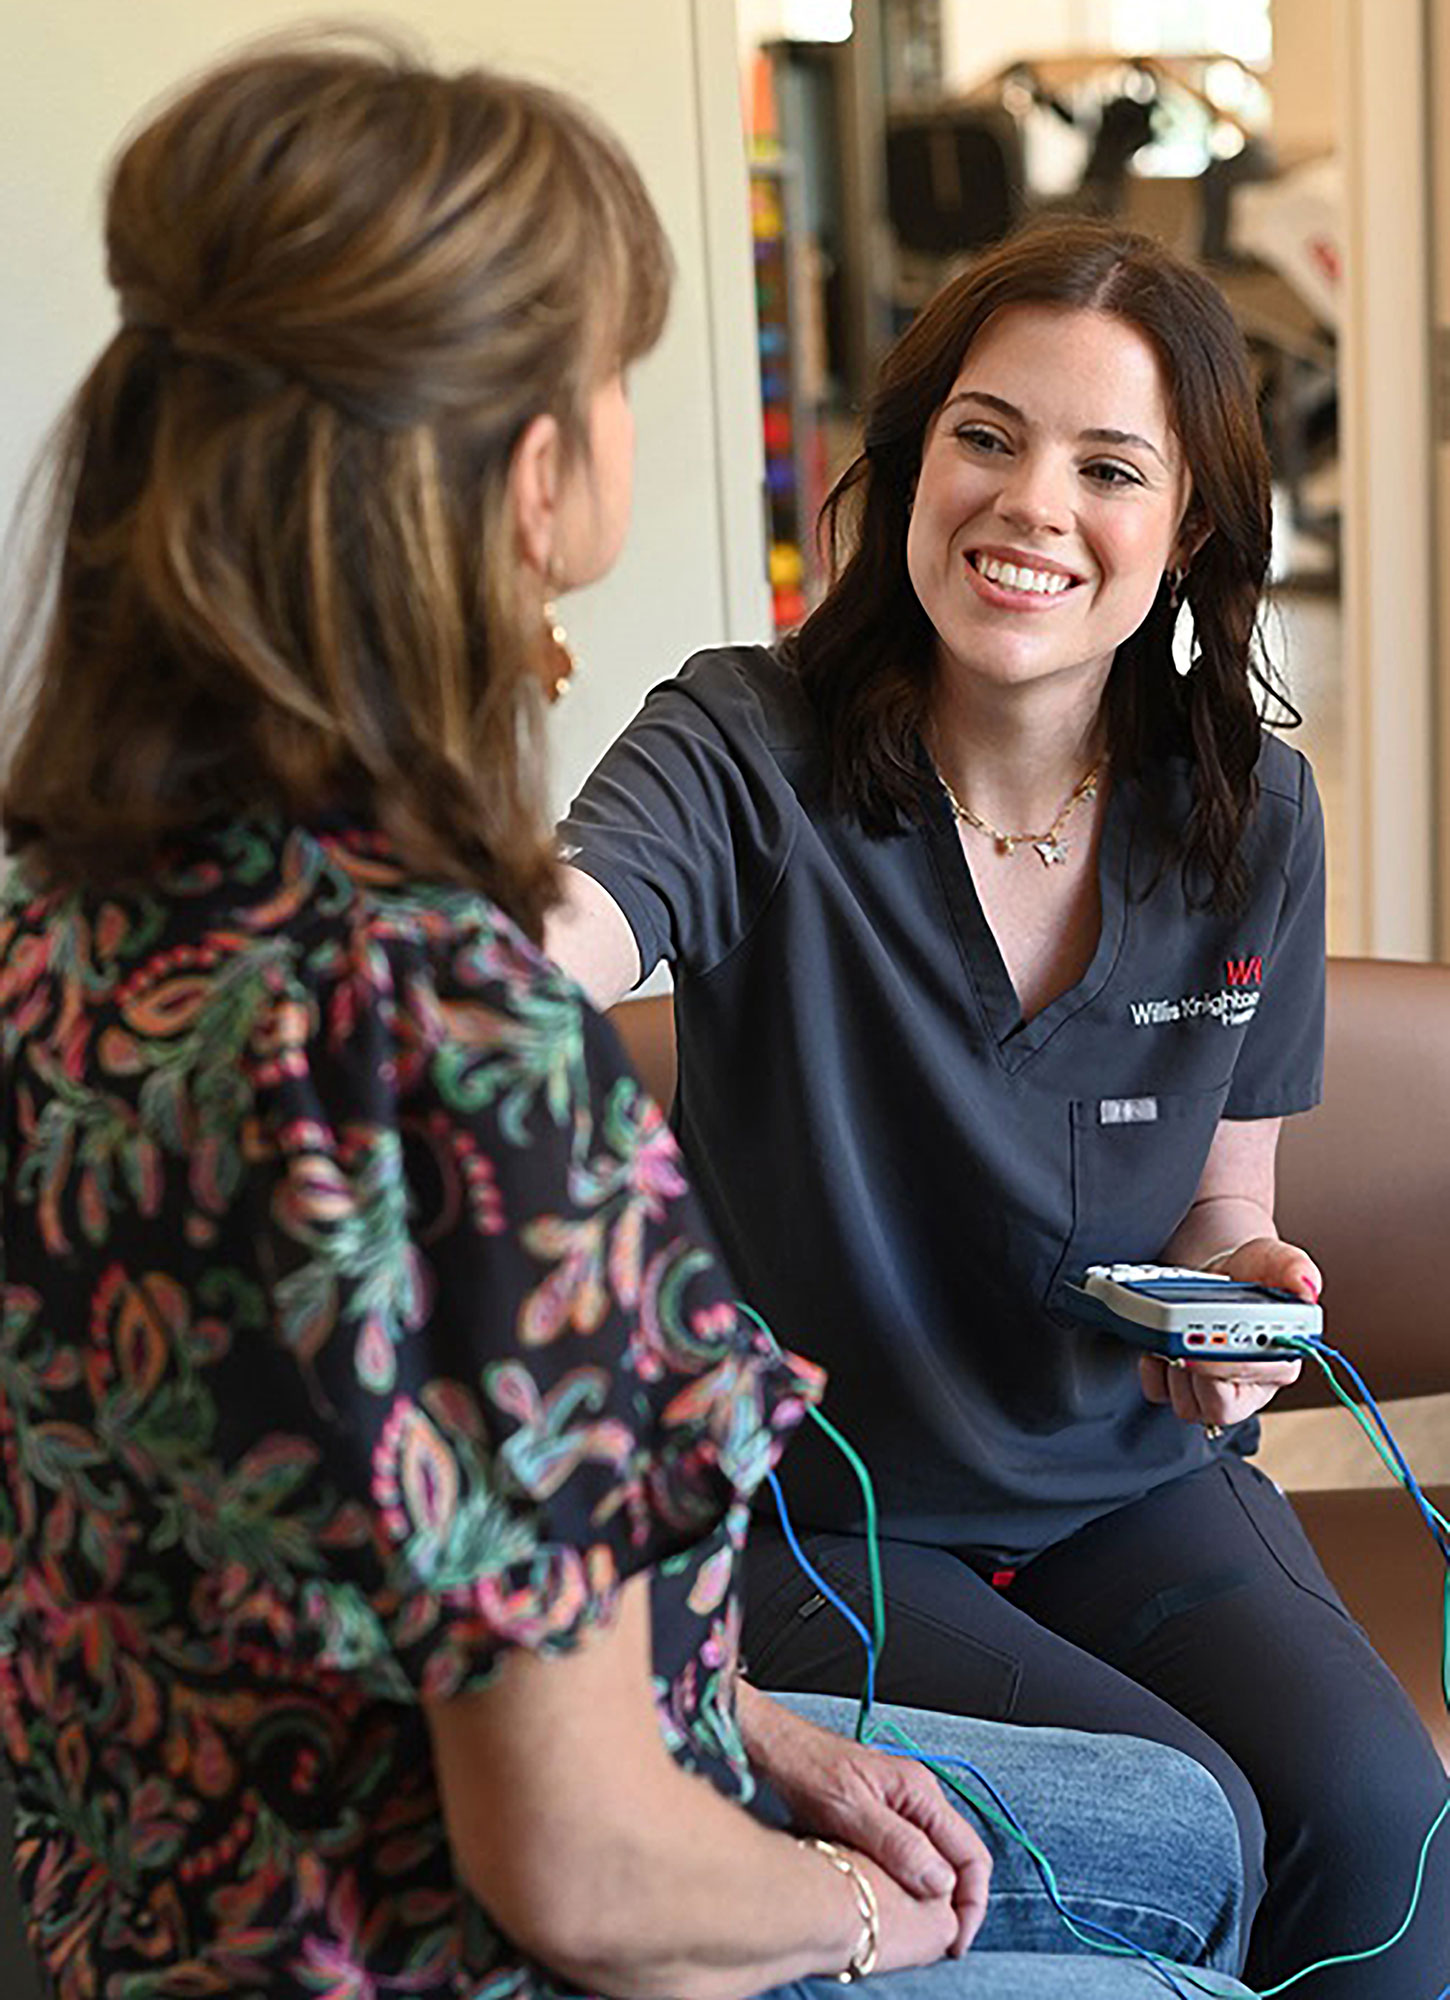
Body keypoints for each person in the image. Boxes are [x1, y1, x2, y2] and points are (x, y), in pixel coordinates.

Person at [0, 38, 1259, 2000]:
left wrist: (724, 1720)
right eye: (612, 374)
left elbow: (368, 1534)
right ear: (529, 469)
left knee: (1189, 1834)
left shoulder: (68, 912)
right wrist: (848, 1912)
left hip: (158, 1852)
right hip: (405, 1923)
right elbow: (576, 1865)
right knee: (1167, 1942)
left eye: (1109, 467)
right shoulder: (463, 1034)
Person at [549, 217, 1450, 1999]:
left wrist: (1242, 1306)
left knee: (1368, 1806)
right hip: (823, 1512)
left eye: (1107, 466)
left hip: (1126, 1478)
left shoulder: (1246, 808)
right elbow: (548, 939)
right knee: (1174, 1818)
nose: (1030, 504)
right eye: (985, 435)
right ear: (907, 465)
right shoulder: (743, 744)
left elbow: (1221, 1211)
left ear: (1183, 531)